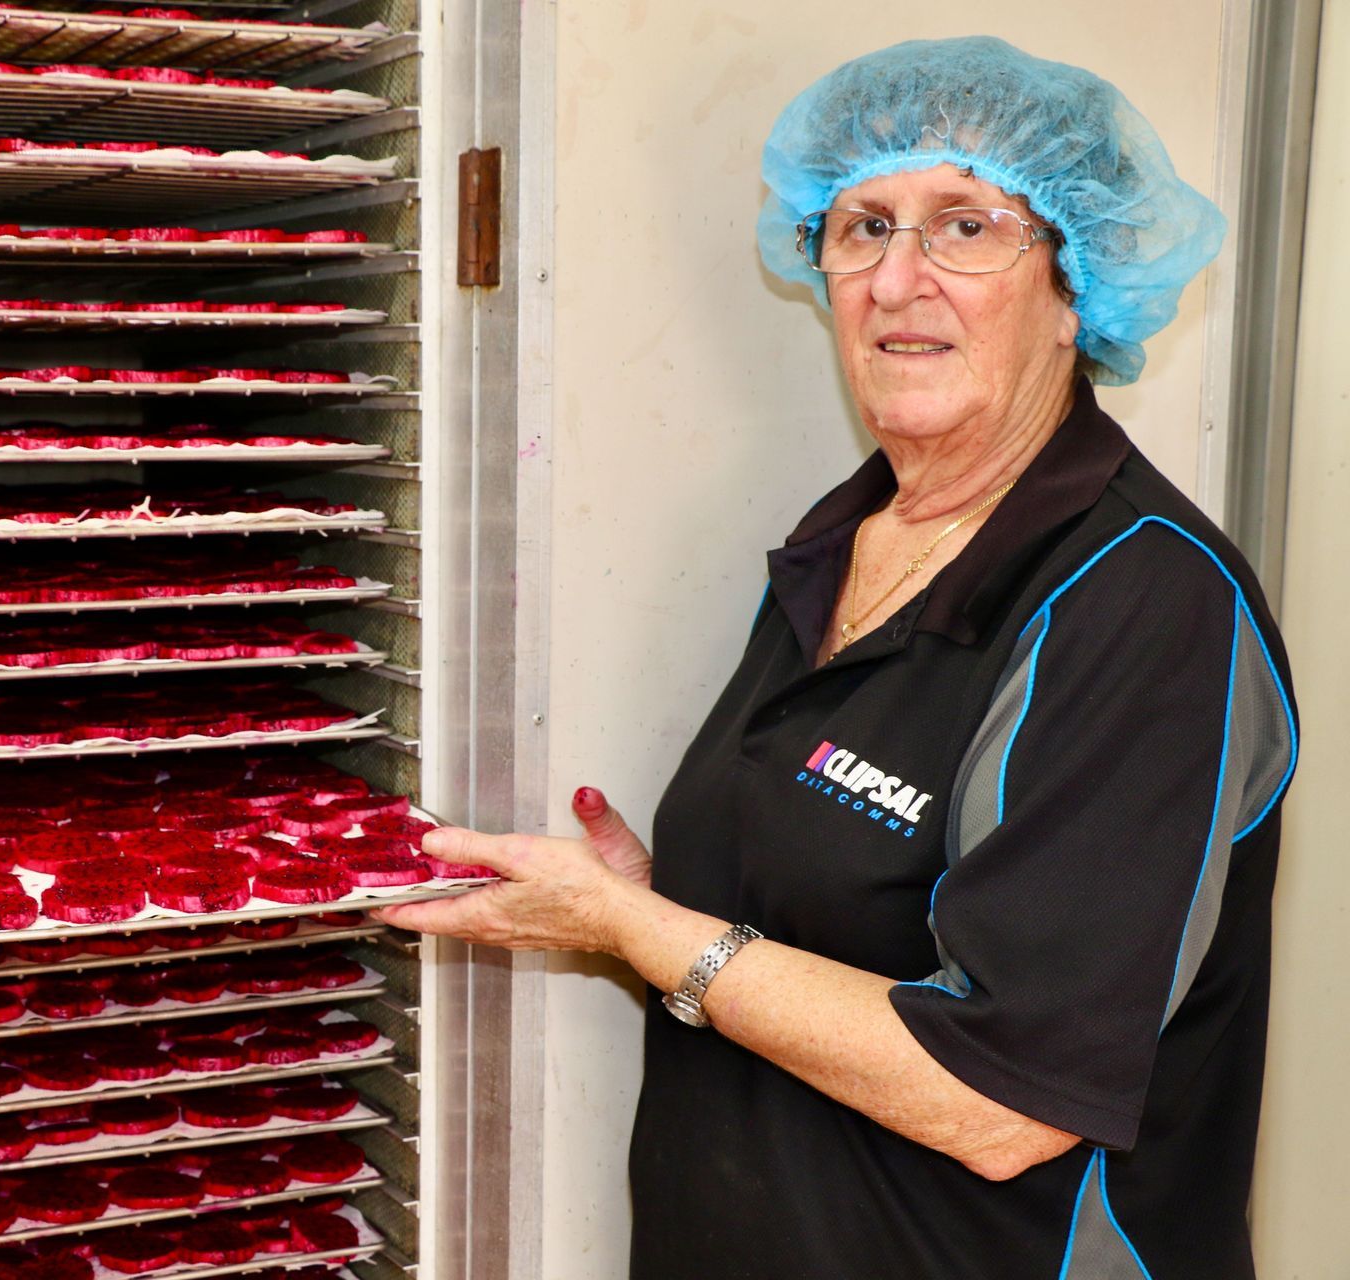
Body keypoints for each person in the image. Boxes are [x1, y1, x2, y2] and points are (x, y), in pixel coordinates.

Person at [377, 36, 1298, 1279]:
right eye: (862, 225)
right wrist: (640, 906)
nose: (897, 278)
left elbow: (1004, 1098)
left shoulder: (1143, 601)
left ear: (1076, 286)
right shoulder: (848, 541)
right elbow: (836, 924)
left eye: (965, 227)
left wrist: (645, 935)